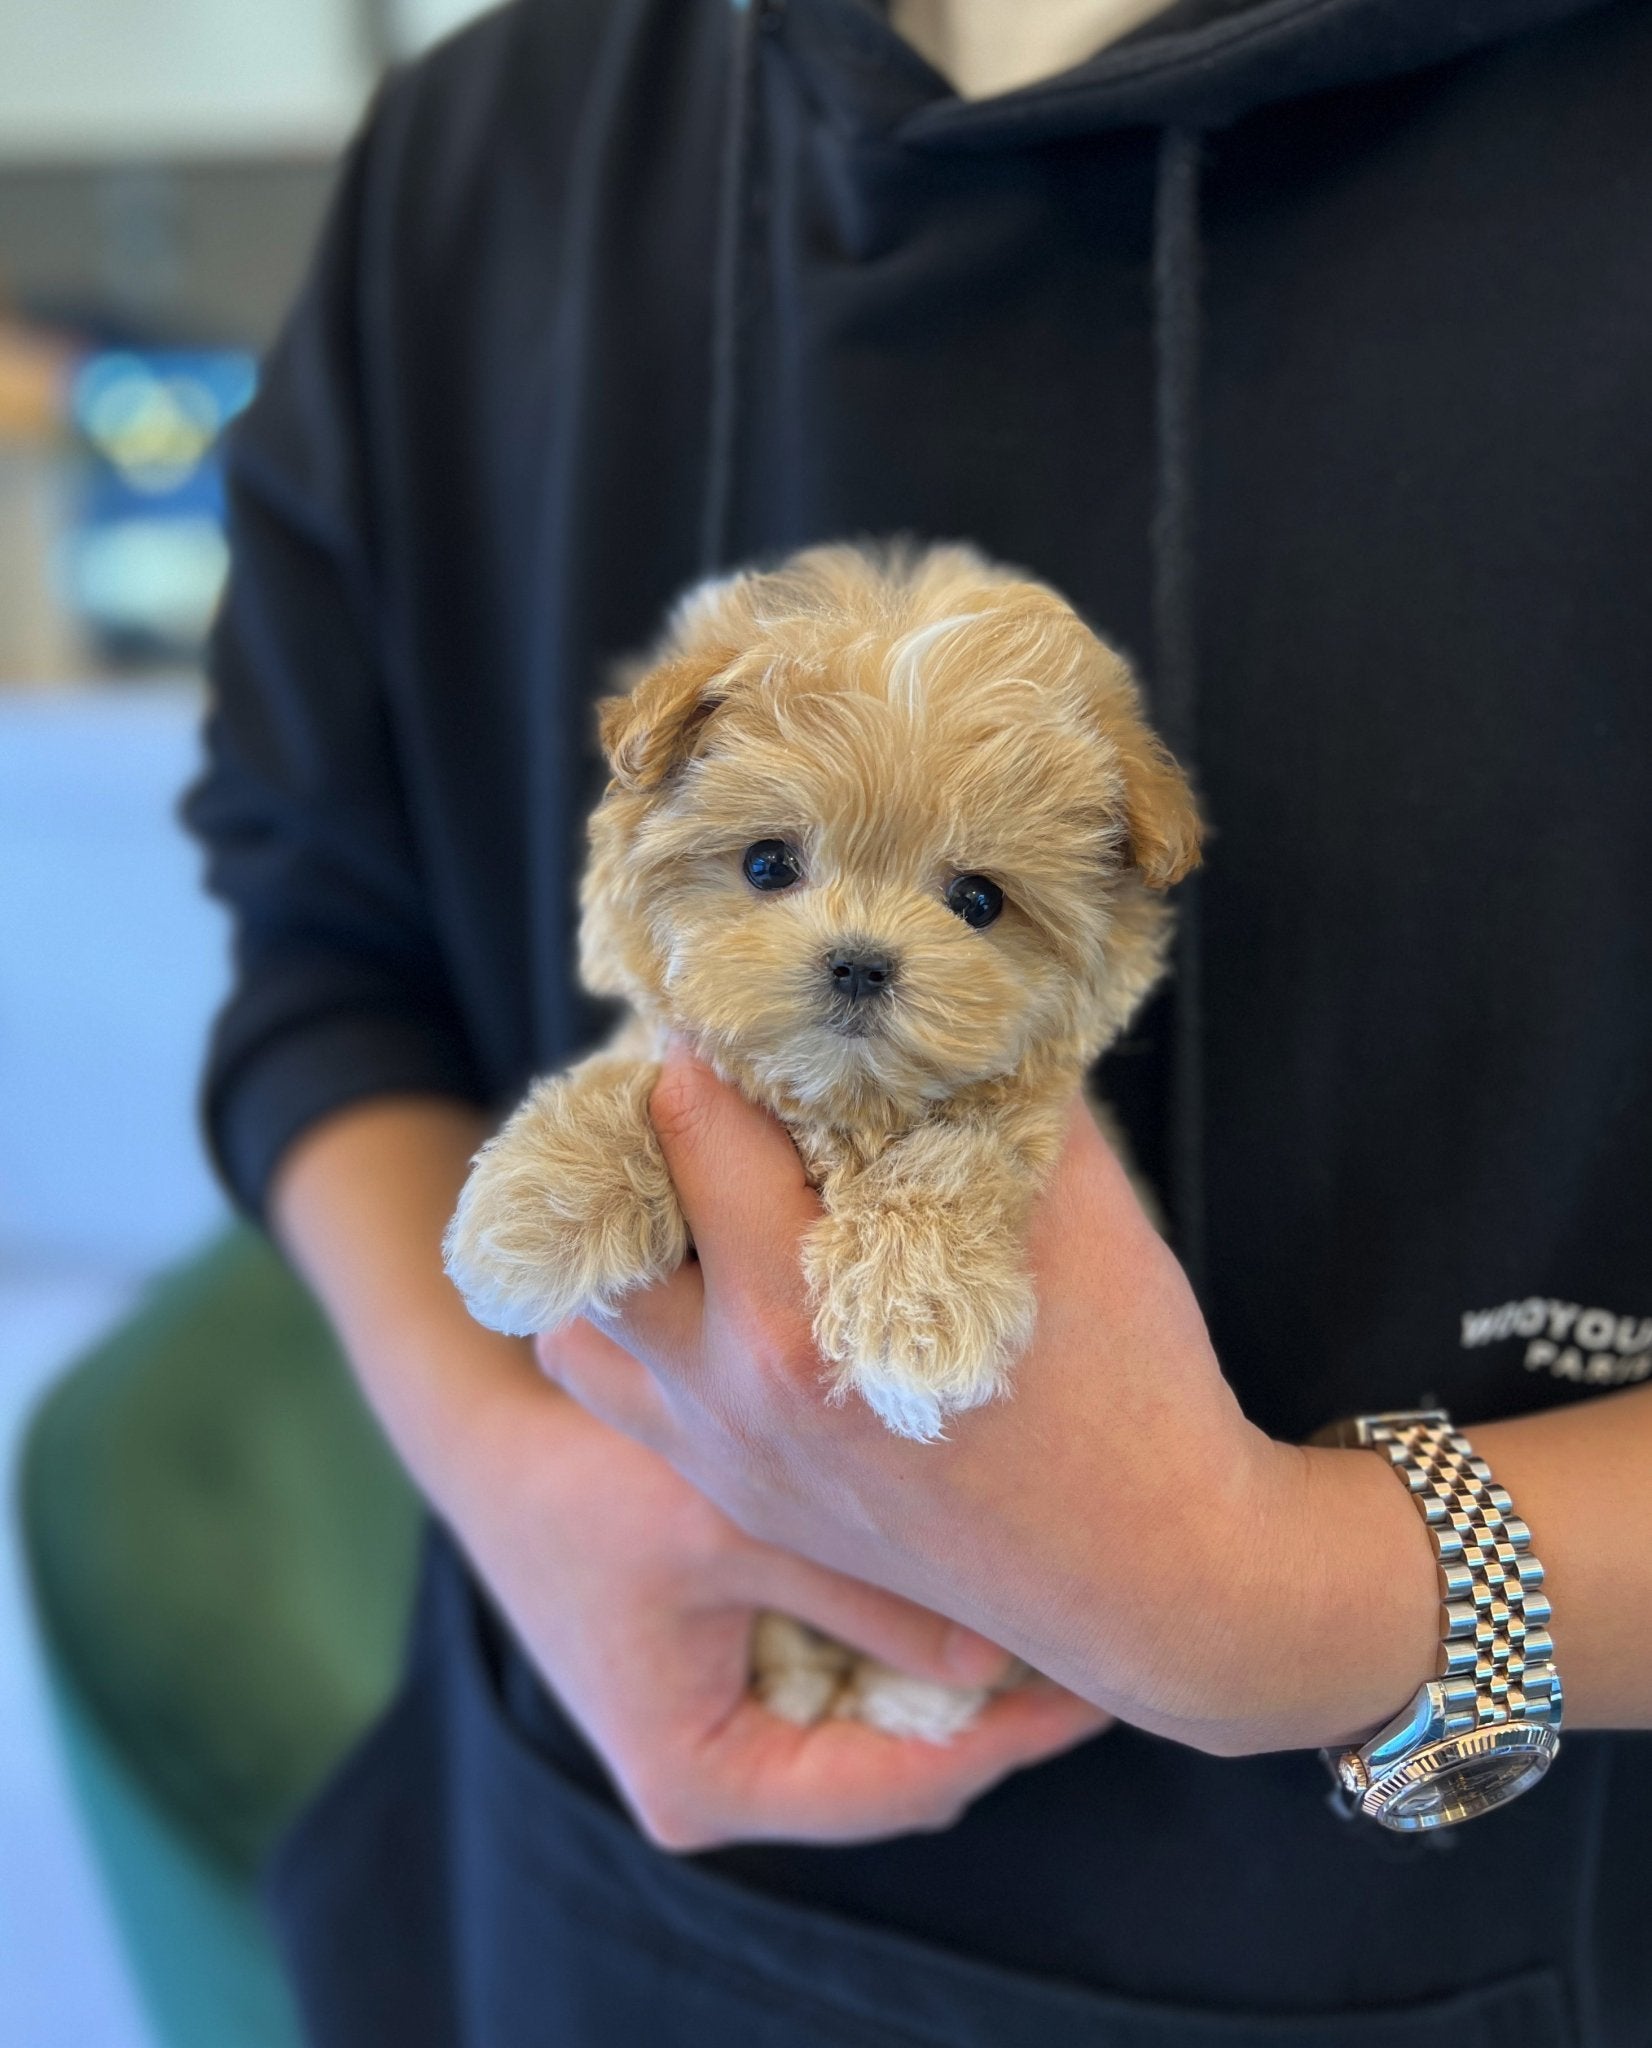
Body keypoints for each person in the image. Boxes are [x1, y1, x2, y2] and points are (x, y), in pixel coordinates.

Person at [181, 0, 1652, 2041]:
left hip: (1473, 1925)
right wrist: (514, 1462)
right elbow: (324, 947)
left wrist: (1313, 1600)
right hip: (584, 1893)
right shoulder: (478, 154)